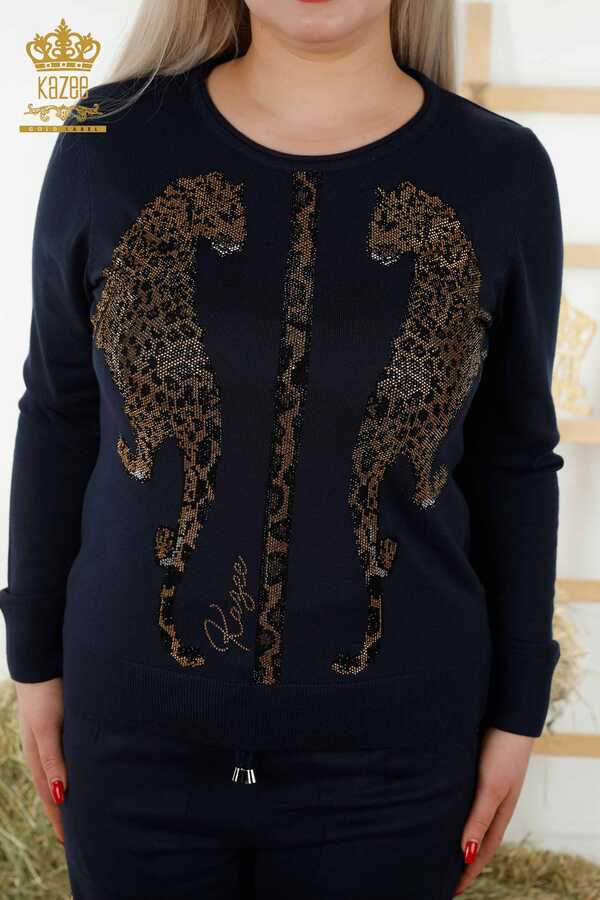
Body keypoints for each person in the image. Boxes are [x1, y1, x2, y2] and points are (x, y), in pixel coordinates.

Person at [0, 1, 565, 897]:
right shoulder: (109, 140)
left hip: (395, 764)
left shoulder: (501, 171)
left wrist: (519, 710)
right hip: (135, 748)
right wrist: (31, 659)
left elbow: (516, 459)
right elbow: (60, 412)